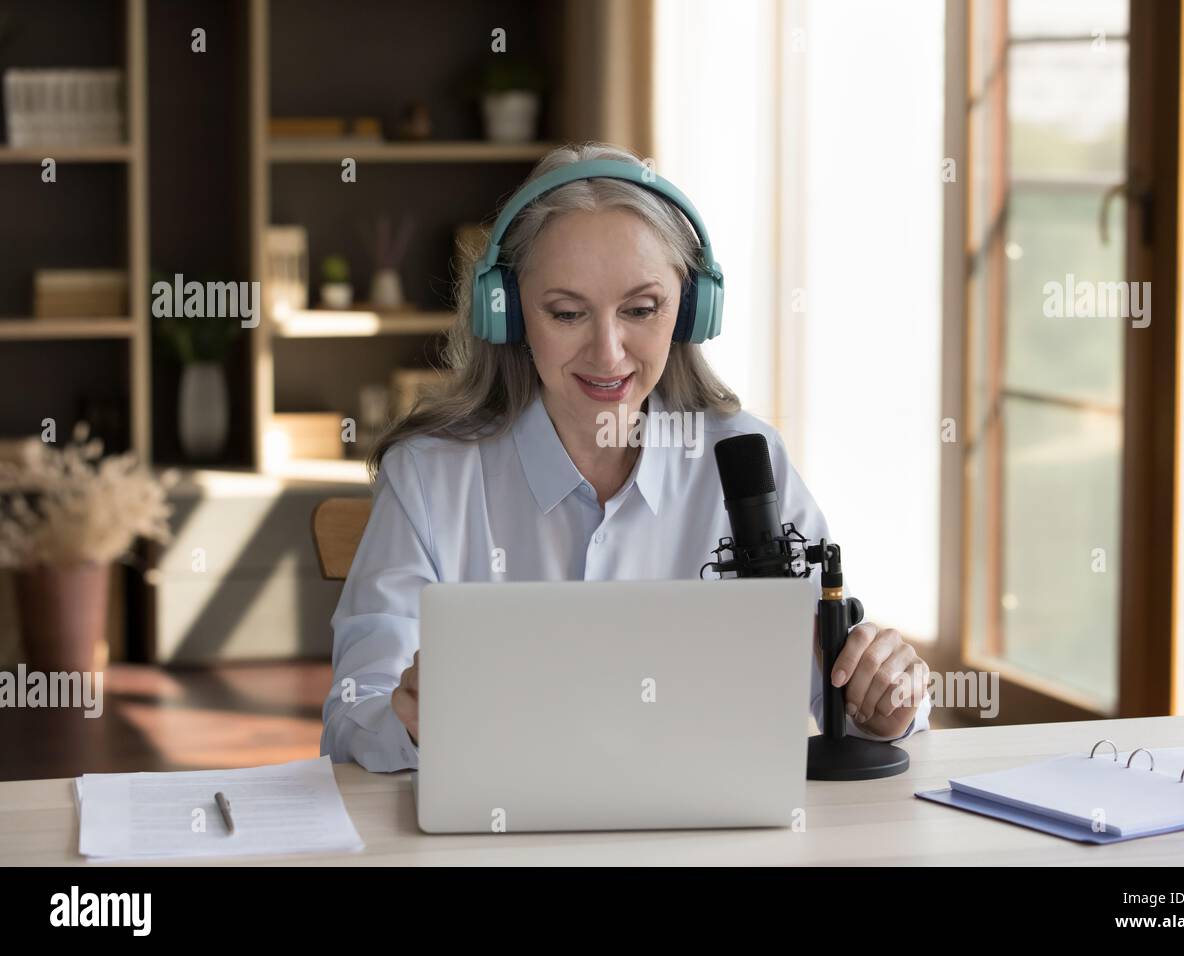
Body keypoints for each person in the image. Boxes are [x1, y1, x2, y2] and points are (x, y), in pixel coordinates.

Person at [321, 142, 931, 772]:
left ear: (690, 310)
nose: (608, 354)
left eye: (641, 310)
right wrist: (412, 723)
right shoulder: (428, 478)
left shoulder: (746, 460)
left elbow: (841, 686)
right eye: (566, 313)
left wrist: (881, 701)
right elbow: (352, 718)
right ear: (507, 314)